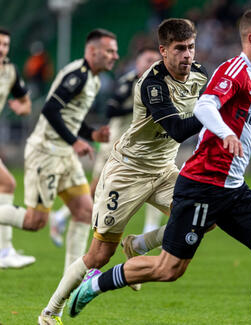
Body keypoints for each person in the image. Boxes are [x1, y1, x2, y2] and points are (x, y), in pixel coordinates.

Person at [68, 8, 251, 325]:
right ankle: (95, 283)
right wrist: (224, 132)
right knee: (169, 269)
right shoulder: (233, 72)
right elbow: (207, 104)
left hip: (234, 189)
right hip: (202, 186)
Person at [39, 18, 209, 324]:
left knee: (204, 216)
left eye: (191, 47)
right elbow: (178, 130)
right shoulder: (151, 84)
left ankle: (139, 244)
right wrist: (216, 110)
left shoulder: (199, 75)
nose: (187, 55)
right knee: (99, 257)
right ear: (163, 51)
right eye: (180, 48)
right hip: (127, 173)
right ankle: (50, 312)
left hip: (163, 170)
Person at [0, 28, 117, 274]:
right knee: (35, 222)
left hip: (64, 153)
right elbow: (50, 109)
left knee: (85, 211)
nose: (114, 56)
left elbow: (70, 116)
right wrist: (75, 141)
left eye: (115, 52)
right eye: (109, 51)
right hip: (47, 151)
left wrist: (91, 134)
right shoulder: (78, 75)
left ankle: (73, 277)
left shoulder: (94, 79)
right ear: (93, 51)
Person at [48, 46, 163, 247]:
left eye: (155, 60)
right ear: (137, 63)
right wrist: (140, 108)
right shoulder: (128, 83)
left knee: (157, 178)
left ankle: (149, 229)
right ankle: (62, 216)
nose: (151, 63)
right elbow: (110, 110)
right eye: (147, 59)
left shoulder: (160, 84)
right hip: (116, 144)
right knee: (99, 187)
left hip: (142, 145)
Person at [0, 27, 34, 269]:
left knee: (7, 184)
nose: (2, 49)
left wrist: (21, 108)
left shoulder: (10, 71)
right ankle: (4, 250)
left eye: (5, 45)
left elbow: (25, 102)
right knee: (8, 183)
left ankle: (4, 250)